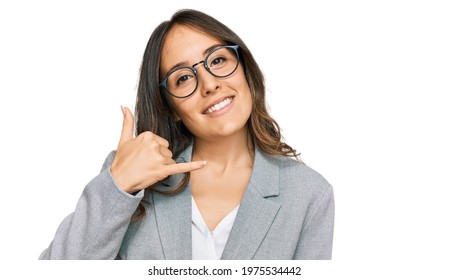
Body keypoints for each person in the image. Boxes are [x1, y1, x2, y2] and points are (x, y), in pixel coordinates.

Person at [39, 9, 334, 260]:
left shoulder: (309, 194)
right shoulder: (134, 175)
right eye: (183, 78)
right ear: (171, 107)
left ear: (245, 69)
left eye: (218, 61)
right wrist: (119, 186)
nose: (208, 85)